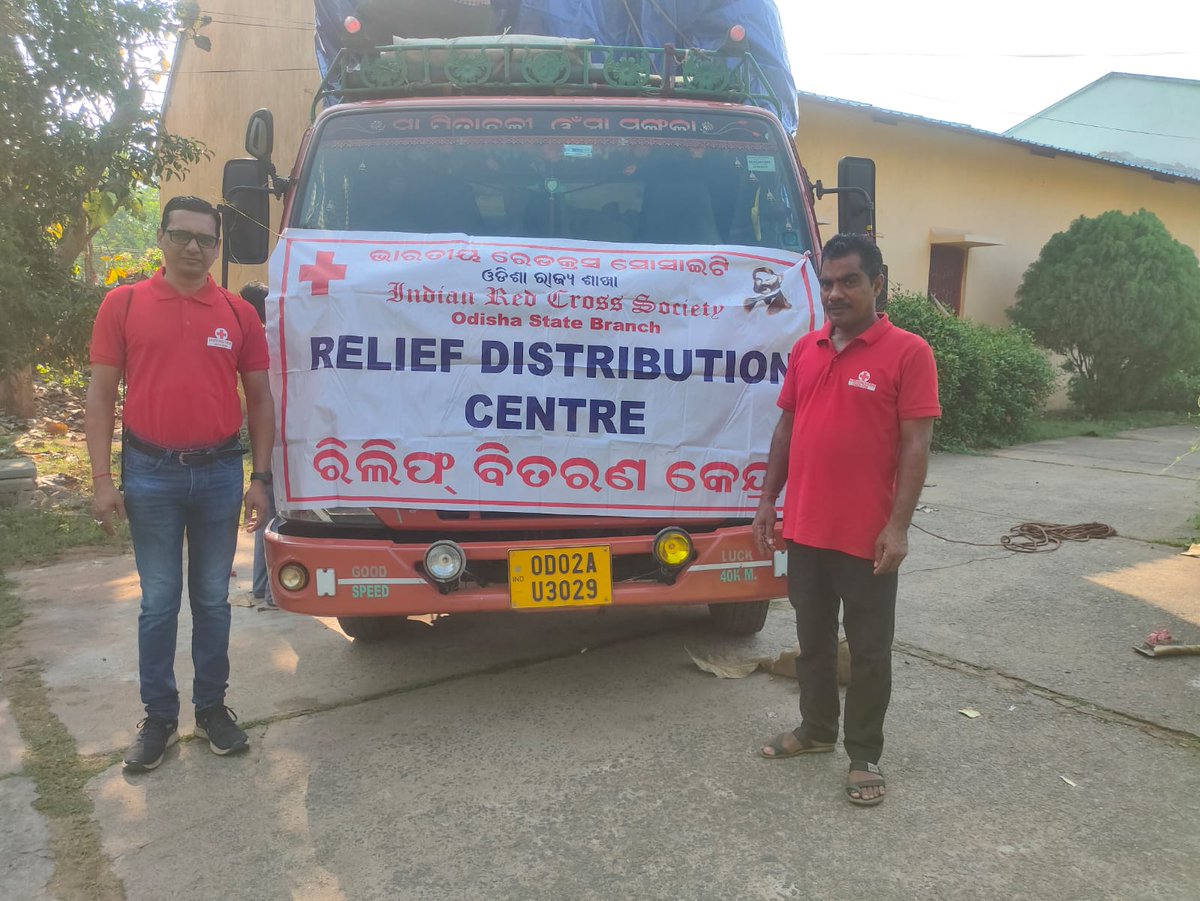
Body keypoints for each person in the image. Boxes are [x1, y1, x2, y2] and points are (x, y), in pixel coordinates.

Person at [85, 196, 274, 772]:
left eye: (205, 239)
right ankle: (160, 718)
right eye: (182, 235)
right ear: (162, 239)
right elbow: (99, 396)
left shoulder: (238, 314)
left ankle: (212, 708)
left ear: (217, 247)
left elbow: (261, 399)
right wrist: (100, 479)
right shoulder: (125, 304)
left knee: (213, 600)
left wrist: (259, 478)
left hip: (220, 472)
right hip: (151, 473)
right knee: (159, 601)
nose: (194, 247)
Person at [752, 233, 940, 807]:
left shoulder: (909, 352)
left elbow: (916, 443)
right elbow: (786, 429)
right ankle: (815, 731)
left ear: (877, 285)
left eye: (848, 281)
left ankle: (864, 754)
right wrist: (767, 500)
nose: (835, 293)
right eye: (828, 282)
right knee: (811, 642)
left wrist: (898, 527)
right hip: (806, 529)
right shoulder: (807, 349)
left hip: (867, 539)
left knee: (868, 651)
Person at [238, 280, 278, 610]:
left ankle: (262, 587)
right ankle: (270, 591)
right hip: (276, 435)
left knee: (268, 512)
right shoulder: (267, 339)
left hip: (261, 432)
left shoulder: (249, 337)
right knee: (274, 513)